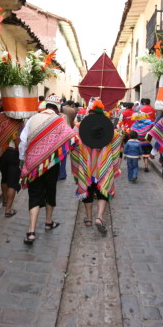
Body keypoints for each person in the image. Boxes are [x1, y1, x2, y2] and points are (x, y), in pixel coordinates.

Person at [19, 93, 76, 245]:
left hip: (33, 164)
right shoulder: (59, 121)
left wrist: (24, 161)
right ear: (57, 108)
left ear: (45, 106)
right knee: (50, 190)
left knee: (35, 194)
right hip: (51, 164)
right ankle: (48, 222)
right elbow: (71, 137)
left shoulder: (32, 118)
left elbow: (23, 142)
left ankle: (31, 231)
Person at [70, 99, 122, 233]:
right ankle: (99, 217)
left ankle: (88, 218)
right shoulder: (111, 129)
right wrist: (113, 164)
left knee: (87, 190)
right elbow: (117, 142)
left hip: (85, 166)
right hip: (103, 166)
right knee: (102, 191)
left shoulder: (80, 126)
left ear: (89, 112)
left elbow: (73, 142)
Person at [0, 99, 24, 218]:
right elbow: (21, 139)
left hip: (1, 154)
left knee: (4, 178)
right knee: (12, 182)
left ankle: (5, 201)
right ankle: (8, 209)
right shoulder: (17, 121)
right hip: (13, 153)